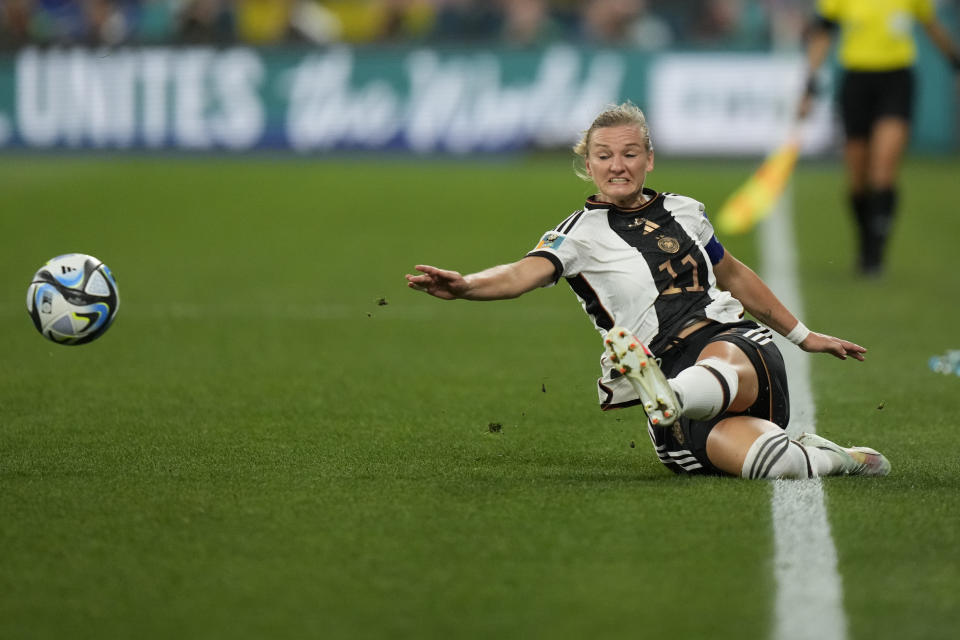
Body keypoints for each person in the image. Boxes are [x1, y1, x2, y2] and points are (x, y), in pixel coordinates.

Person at [406, 102, 890, 480]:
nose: (618, 166)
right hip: (666, 373)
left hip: (737, 350)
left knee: (719, 360)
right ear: (588, 164)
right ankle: (835, 458)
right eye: (604, 156)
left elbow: (733, 274)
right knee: (773, 465)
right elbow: (520, 274)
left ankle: (672, 395)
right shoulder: (576, 235)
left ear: (649, 160)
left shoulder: (686, 211)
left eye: (629, 154)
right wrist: (468, 285)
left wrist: (805, 336)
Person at [798, 0, 960, 277]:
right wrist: (810, 85)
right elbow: (823, 34)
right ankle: (865, 241)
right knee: (857, 180)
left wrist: (955, 63)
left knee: (883, 170)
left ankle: (874, 255)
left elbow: (932, 26)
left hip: (896, 82)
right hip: (857, 83)